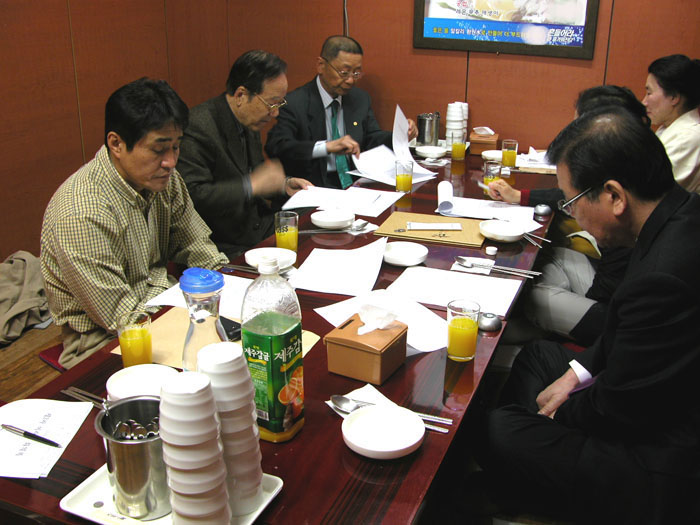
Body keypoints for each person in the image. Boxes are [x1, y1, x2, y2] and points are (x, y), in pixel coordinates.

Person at [477, 106, 700, 524]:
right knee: (541, 357)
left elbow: (622, 406)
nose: (571, 212)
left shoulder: (665, 276)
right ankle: (519, 481)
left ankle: (523, 484)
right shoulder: (677, 214)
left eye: (572, 201)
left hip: (666, 459)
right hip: (646, 394)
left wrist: (559, 413)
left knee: (499, 430)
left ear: (614, 196)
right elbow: (621, 333)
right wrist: (573, 377)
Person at [40, 78, 228, 369]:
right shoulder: (80, 212)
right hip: (107, 341)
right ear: (116, 143)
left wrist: (226, 290)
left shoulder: (164, 180)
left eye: (176, 147)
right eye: (158, 149)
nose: (171, 162)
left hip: (168, 308)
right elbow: (123, 316)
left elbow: (198, 246)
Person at [489, 86, 647, 344]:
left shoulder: (626, 208)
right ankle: (547, 321)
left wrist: (575, 310)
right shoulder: (630, 169)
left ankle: (543, 328)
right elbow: (567, 195)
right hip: (614, 287)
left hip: (625, 319)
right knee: (547, 261)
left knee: (536, 298)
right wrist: (519, 196)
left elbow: (610, 286)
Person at [177, 50, 312, 258]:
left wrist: (283, 184)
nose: (275, 113)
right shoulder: (199, 126)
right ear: (241, 95)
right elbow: (194, 197)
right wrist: (251, 186)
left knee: (313, 216)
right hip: (224, 240)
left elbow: (257, 174)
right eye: (272, 103)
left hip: (256, 224)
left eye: (280, 103)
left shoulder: (250, 119)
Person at [265, 35, 418, 189]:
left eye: (356, 73)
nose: (351, 80)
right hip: (314, 187)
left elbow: (371, 137)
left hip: (355, 183)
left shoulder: (360, 98)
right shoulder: (295, 103)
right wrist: (326, 147)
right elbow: (278, 146)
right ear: (321, 65)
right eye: (344, 73)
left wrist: (400, 135)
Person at [643, 54, 700, 192]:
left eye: (649, 93)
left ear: (674, 97)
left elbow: (650, 191)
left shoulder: (689, 137)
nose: (644, 102)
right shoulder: (668, 128)